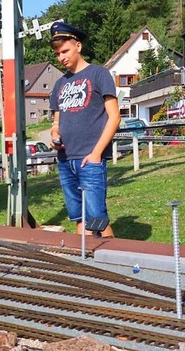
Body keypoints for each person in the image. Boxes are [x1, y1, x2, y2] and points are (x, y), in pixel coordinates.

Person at [48, 22, 121, 238]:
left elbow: (114, 117)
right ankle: (87, 266)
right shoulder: (59, 84)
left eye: (65, 51)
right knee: (79, 220)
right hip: (65, 160)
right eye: (58, 54)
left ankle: (115, 264)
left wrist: (97, 153)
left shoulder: (99, 74)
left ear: (78, 46)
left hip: (90, 159)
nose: (61, 57)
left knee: (96, 219)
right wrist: (54, 133)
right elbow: (56, 120)